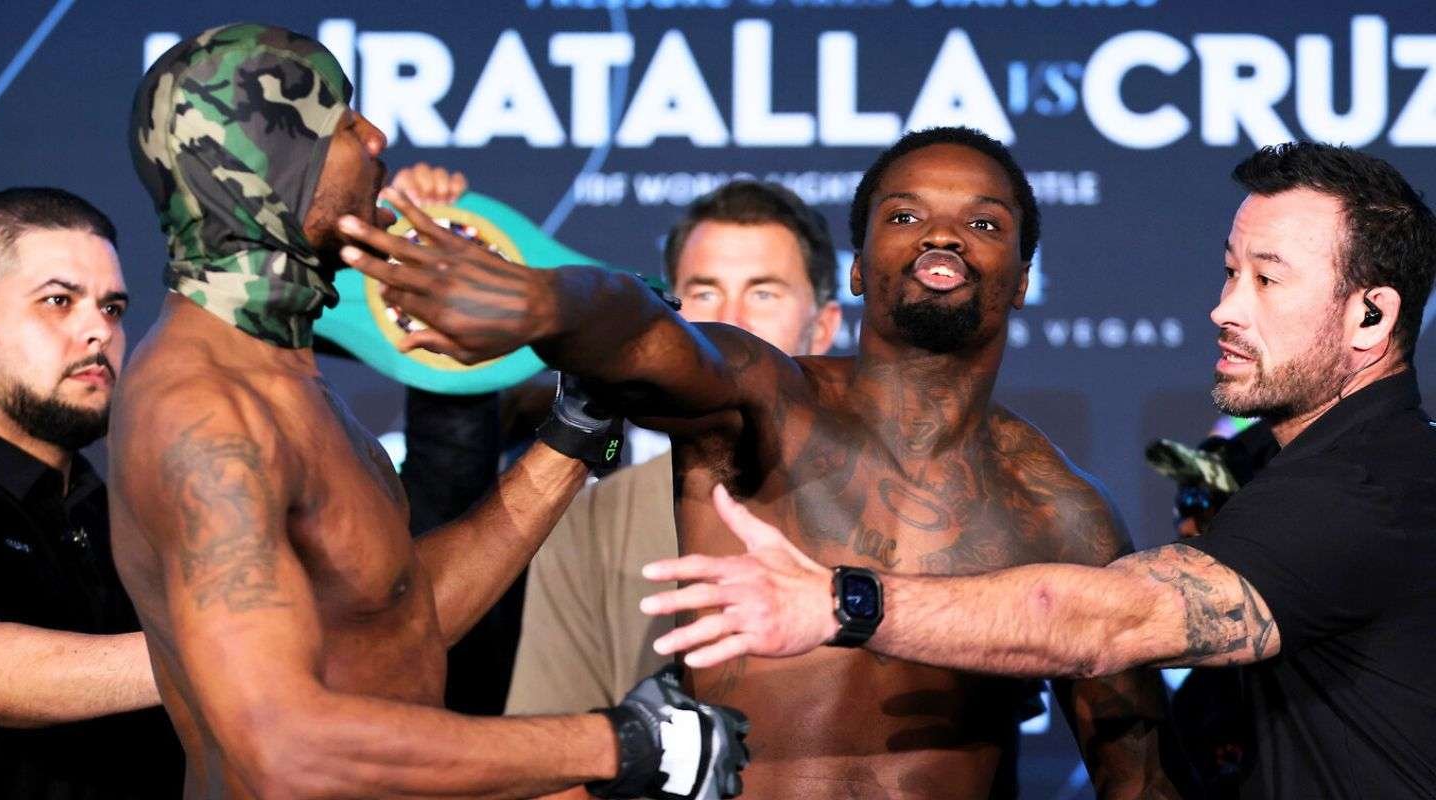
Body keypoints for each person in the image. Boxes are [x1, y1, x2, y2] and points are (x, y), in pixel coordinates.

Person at [340, 127, 1182, 798]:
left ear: (1024, 278)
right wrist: (540, 300)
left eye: (985, 223)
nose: (942, 235)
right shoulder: (769, 406)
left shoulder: (1063, 514)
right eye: (903, 216)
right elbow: (646, 330)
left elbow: (1138, 774)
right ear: (858, 269)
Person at [636, 143, 1436, 799]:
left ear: (1371, 315)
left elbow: (1111, 620)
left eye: (1266, 279)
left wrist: (840, 601)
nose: (1224, 308)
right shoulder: (1288, 472)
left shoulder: (1371, 486)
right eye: (1230, 272)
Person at [111, 24, 747, 800]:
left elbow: (397, 625)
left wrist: (573, 435)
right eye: (343, 122)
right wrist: (622, 745)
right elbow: (284, 748)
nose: (376, 136)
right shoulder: (206, 414)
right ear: (268, 170)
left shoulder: (278, 377)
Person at [506, 181, 843, 720]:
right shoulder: (591, 520)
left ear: (823, 327)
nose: (732, 322)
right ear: (670, 322)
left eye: (763, 294)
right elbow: (549, 741)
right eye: (705, 294)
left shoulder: (898, 502)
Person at [0, 188, 182, 798]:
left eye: (112, 308)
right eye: (59, 301)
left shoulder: (121, 514)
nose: (99, 330)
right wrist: (219, 656)